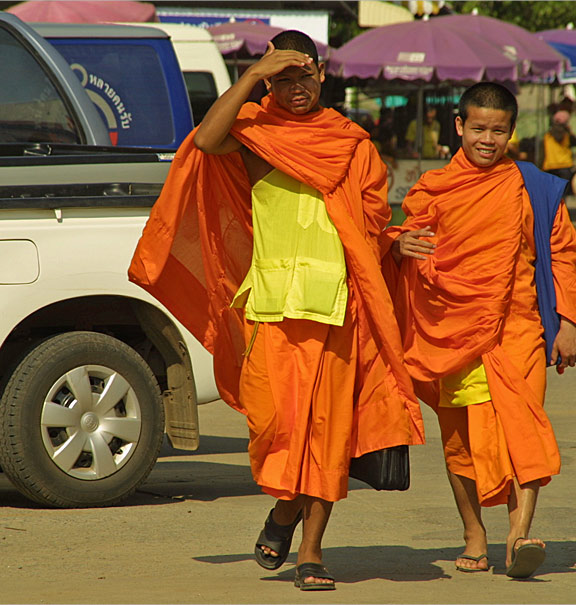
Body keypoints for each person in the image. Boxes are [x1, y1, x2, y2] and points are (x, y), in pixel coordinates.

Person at [127, 30, 424, 591]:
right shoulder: (256, 135)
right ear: (268, 79)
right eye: (282, 78)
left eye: (304, 75)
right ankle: (284, 511)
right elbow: (206, 141)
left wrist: (393, 245)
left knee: (327, 435)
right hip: (271, 307)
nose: (295, 88)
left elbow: (370, 226)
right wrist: (249, 78)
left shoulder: (350, 141)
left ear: (322, 75)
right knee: (276, 428)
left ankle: (311, 552)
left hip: (339, 309)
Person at [385, 82, 576, 579]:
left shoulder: (532, 188)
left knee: (523, 427)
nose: (487, 139)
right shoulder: (435, 187)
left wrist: (571, 322)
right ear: (459, 126)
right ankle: (473, 533)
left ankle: (519, 533)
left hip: (518, 327)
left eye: (498, 131)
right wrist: (398, 247)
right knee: (459, 441)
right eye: (478, 128)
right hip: (453, 332)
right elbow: (404, 234)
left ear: (511, 132)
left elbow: (562, 254)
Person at [541, 109, 576, 198]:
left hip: (550, 166)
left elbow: (542, 153)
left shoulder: (548, 135)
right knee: (562, 194)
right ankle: (561, 210)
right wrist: (570, 131)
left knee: (551, 194)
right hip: (565, 166)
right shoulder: (567, 135)